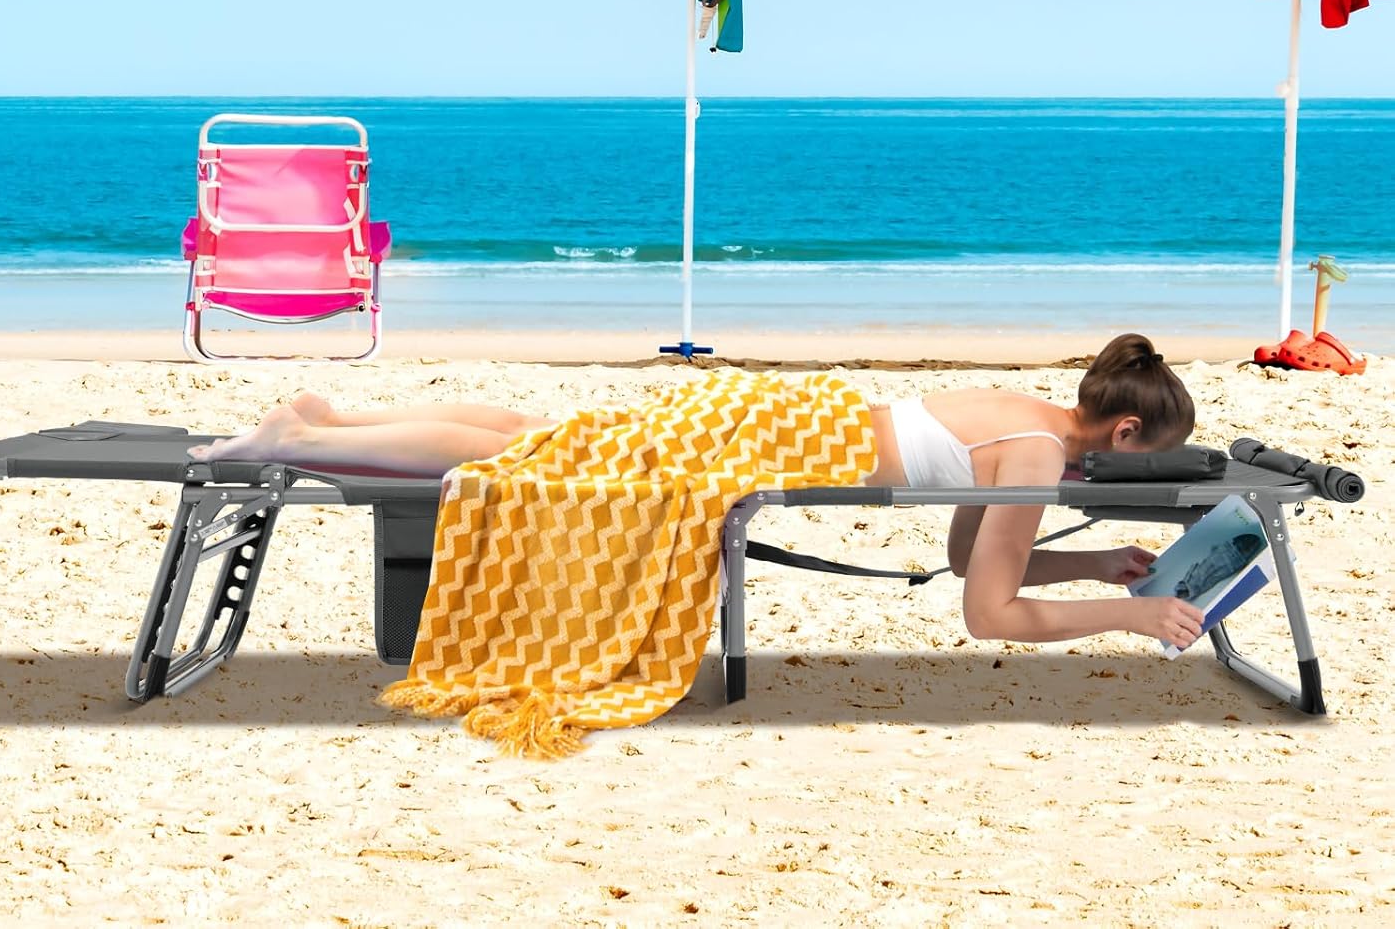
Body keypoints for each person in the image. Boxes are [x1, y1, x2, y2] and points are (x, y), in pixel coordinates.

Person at [189, 332, 1203, 653]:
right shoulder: (1033, 459)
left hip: (781, 418)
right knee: (545, 456)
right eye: (1142, 458)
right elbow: (991, 611)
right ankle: (306, 435)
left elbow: (958, 560)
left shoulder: (1021, 408)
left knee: (549, 435)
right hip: (771, 440)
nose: (1132, 472)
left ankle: (330, 418)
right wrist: (1135, 613)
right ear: (1124, 431)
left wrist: (1096, 557)